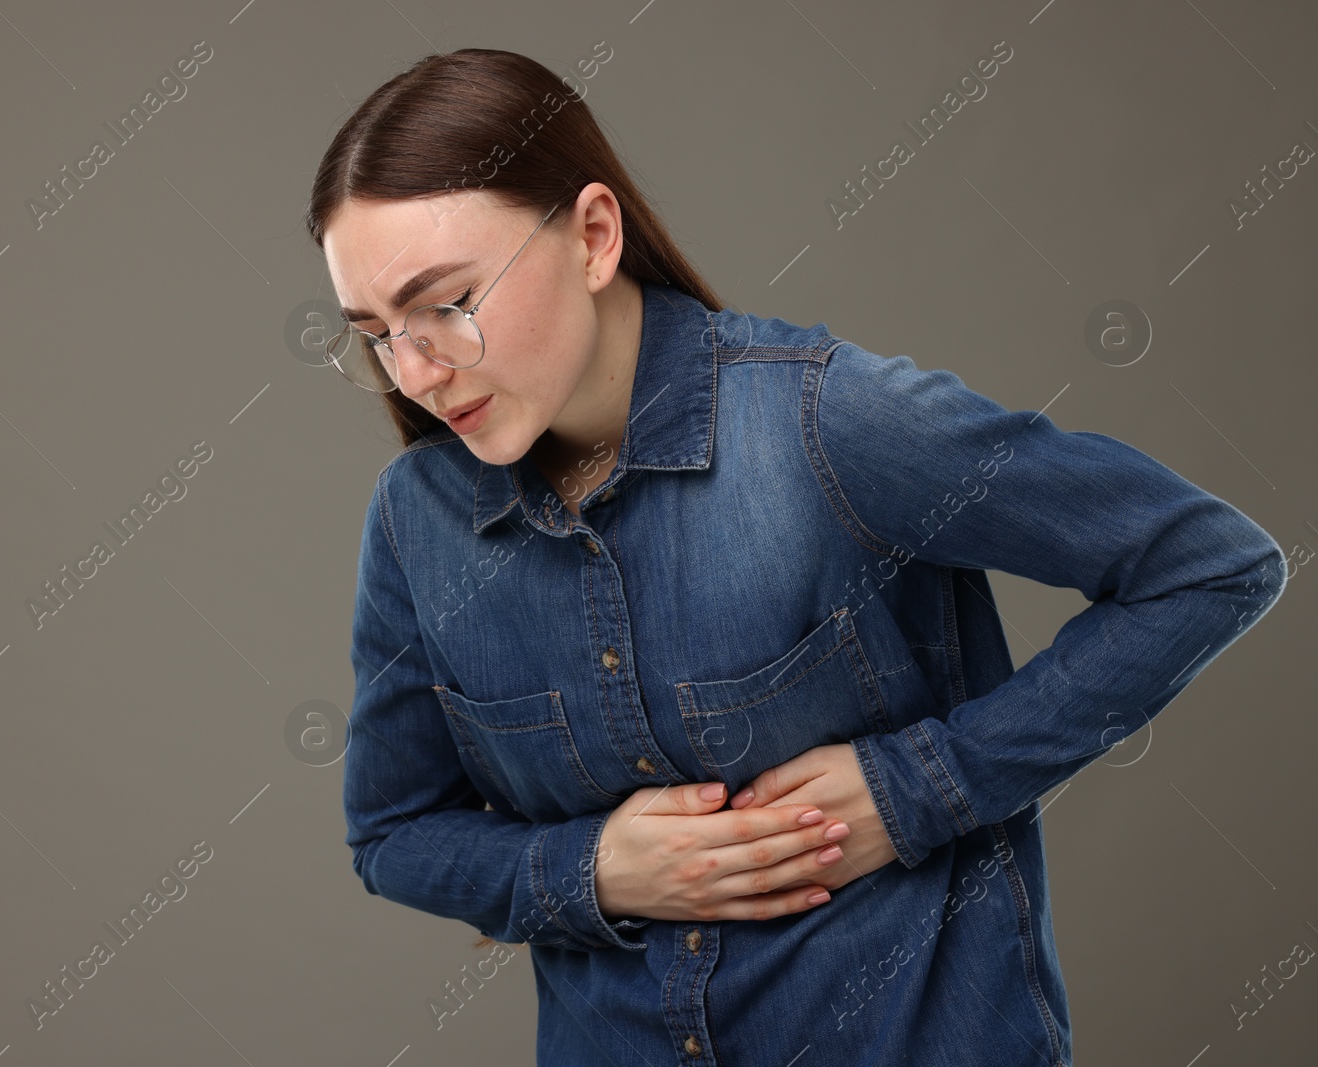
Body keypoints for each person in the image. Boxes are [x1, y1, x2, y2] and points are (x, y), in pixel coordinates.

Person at [306, 48, 1286, 1067]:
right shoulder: (417, 521)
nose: (415, 372)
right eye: (373, 333)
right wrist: (594, 869)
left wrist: (919, 787)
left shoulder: (830, 423)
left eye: (446, 304)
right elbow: (392, 832)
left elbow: (1209, 565)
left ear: (594, 236)